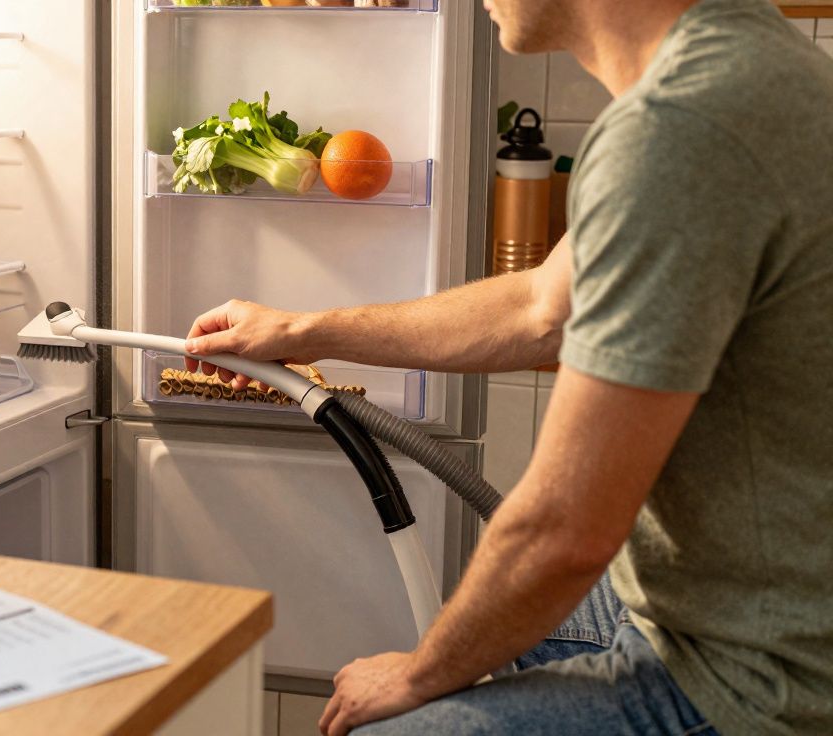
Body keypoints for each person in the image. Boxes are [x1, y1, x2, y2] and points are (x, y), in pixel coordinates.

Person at [183, 0, 833, 733]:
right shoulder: (744, 66)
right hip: (731, 595)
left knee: (384, 727)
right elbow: (540, 308)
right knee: (486, 628)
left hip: (760, 677)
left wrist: (417, 674)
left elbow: (563, 529)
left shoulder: (680, 131)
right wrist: (308, 329)